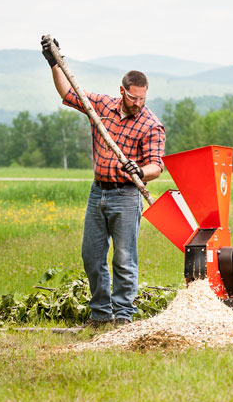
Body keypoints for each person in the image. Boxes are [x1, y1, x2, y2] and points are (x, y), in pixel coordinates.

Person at [41, 36, 166, 328]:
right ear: (122, 91)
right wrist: (54, 63)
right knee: (91, 256)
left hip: (126, 195)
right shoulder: (102, 106)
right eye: (133, 97)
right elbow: (69, 94)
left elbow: (156, 166)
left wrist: (139, 170)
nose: (138, 103)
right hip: (98, 192)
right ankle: (100, 314)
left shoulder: (151, 124)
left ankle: (123, 317)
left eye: (143, 98)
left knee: (124, 259)